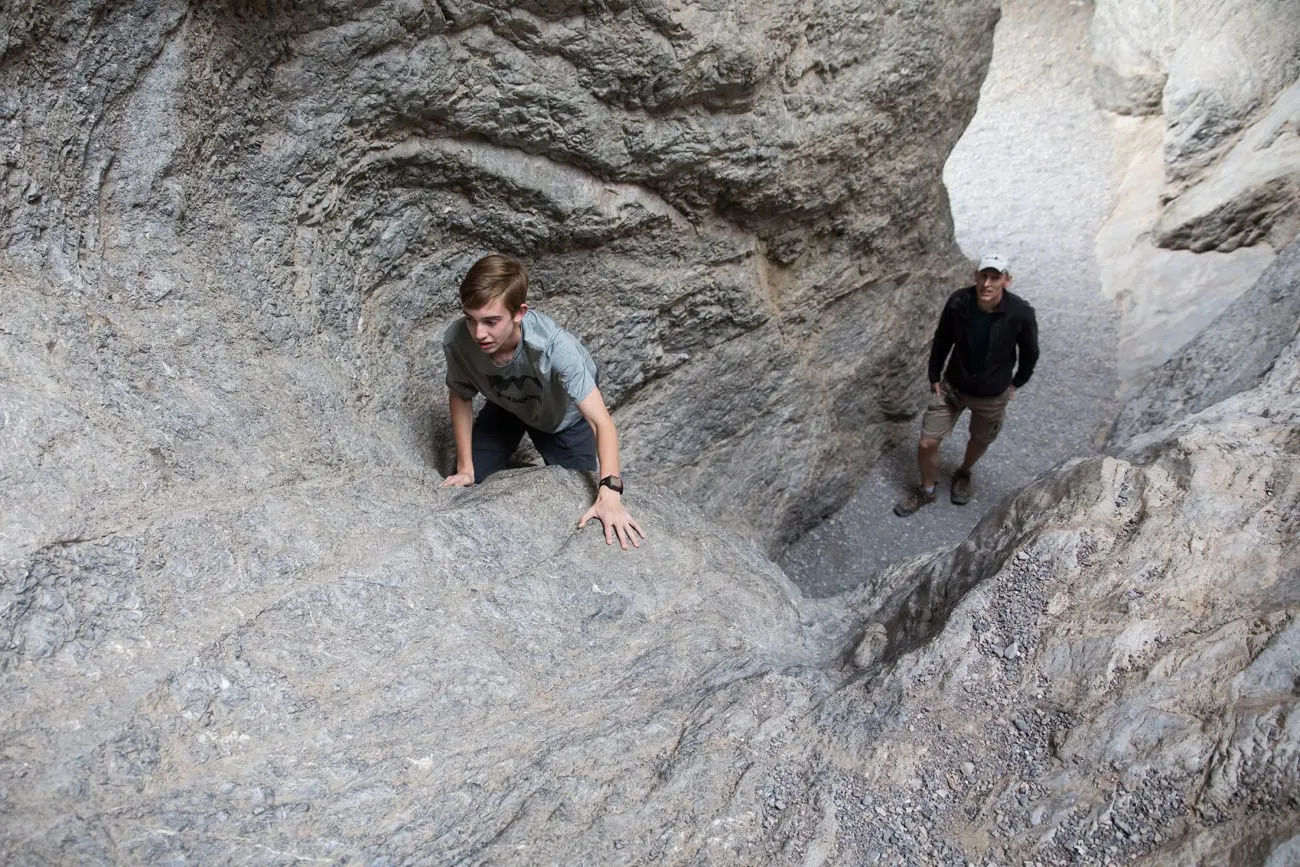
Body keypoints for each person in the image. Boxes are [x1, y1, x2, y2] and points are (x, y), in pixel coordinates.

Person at [440, 254, 646, 550]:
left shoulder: (555, 347)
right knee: (466, 487)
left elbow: (602, 423)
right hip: (505, 407)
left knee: (580, 505)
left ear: (519, 313)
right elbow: (460, 393)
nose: (479, 333)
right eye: (470, 319)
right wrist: (465, 468)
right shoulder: (458, 340)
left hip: (562, 419)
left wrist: (611, 494)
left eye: (491, 321)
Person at [893, 252, 1039, 517]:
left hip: (991, 395)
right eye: (984, 276)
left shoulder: (1020, 313)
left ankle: (964, 472)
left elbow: (1030, 352)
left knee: (980, 438)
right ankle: (926, 489)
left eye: (995, 277)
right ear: (976, 277)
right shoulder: (959, 302)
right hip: (953, 387)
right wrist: (934, 375)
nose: (987, 283)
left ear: (1007, 281)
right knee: (927, 442)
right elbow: (942, 339)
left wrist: (1016, 383)